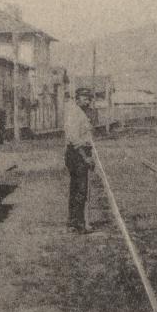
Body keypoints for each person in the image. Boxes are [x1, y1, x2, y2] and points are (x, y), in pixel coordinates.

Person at [63, 87, 98, 233]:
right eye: (84, 98)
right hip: (77, 154)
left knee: (76, 187)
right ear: (77, 99)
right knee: (81, 189)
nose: (87, 101)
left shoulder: (81, 113)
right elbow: (74, 139)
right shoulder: (74, 113)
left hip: (78, 153)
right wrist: (86, 158)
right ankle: (79, 223)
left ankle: (72, 221)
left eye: (89, 98)